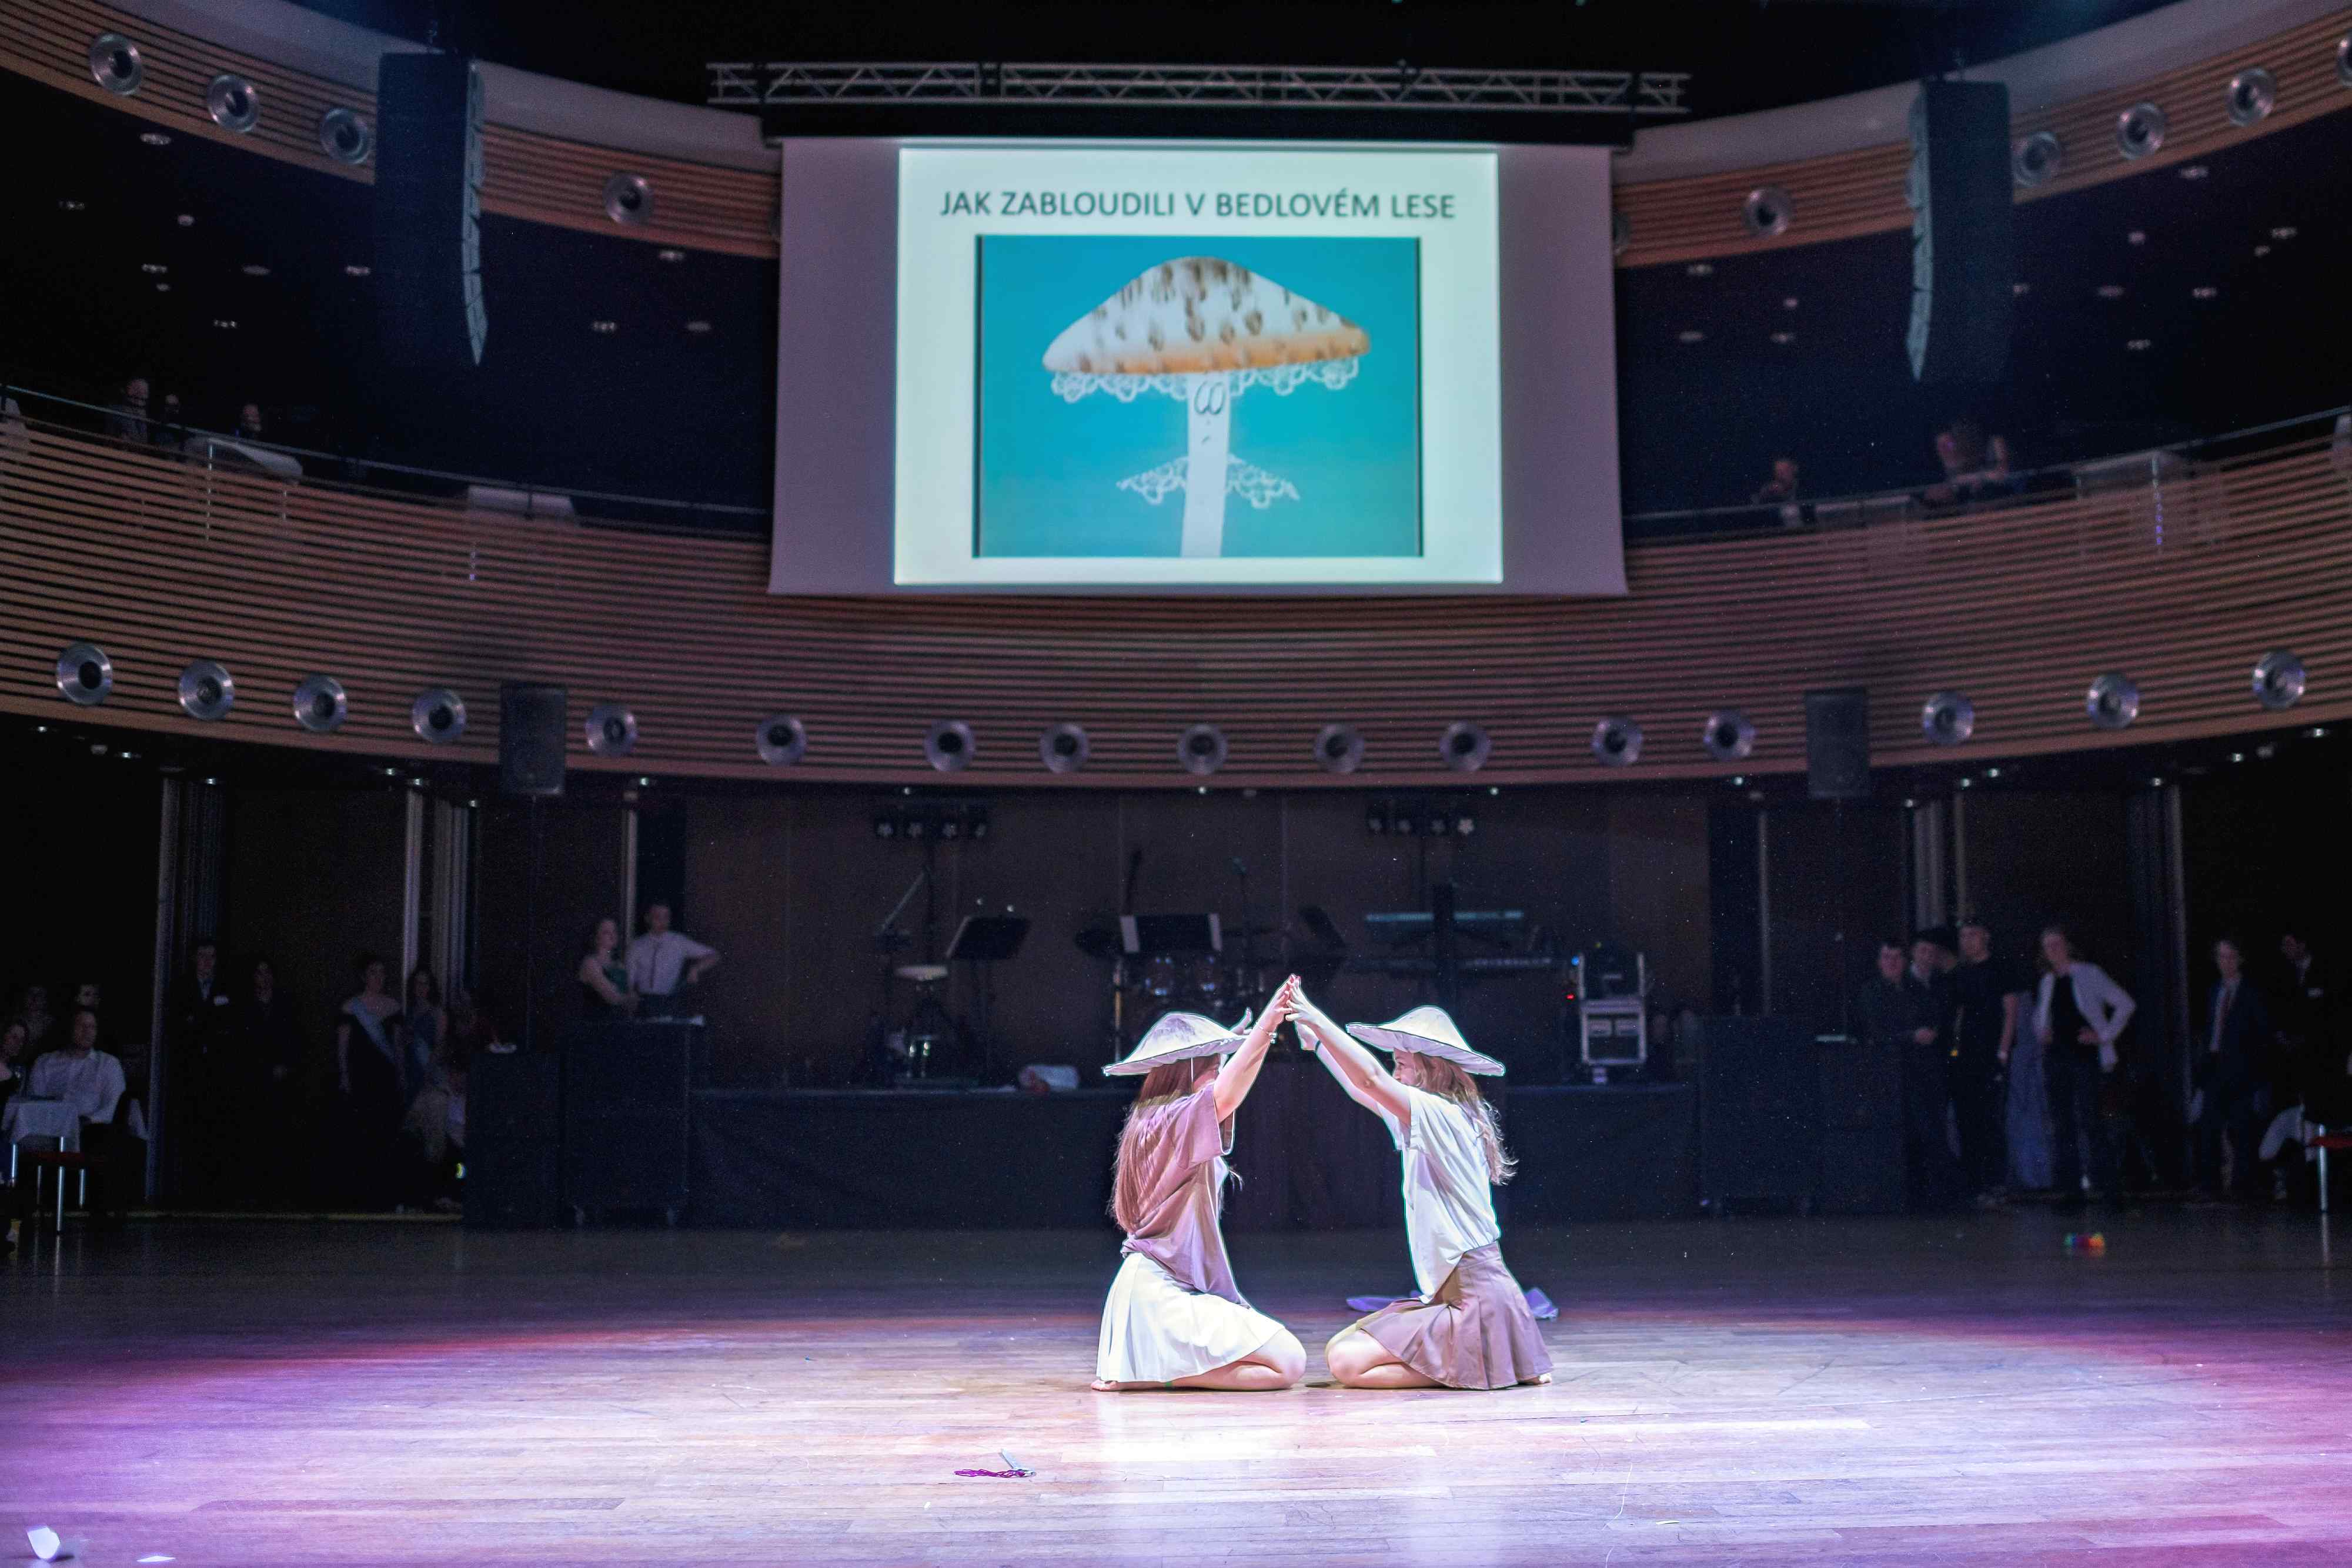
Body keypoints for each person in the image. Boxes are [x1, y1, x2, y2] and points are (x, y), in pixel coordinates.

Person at [1292, 999, 1552, 1390]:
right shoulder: (1431, 1115)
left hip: (1474, 1296)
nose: (1395, 1074)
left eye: (1401, 1064)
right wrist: (1319, 1044)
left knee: (1346, 1361)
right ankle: (1485, 1362)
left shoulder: (1441, 1115)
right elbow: (1362, 1090)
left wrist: (1317, 1020)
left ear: (1430, 1069)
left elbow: (1371, 1080)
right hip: (1458, 1294)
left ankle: (1475, 1366)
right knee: (1340, 1349)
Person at [1093, 981, 1308, 1392]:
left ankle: (1150, 1370)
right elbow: (1226, 1096)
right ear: (1188, 1070)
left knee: (1284, 1362)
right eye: (1214, 1066)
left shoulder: (1156, 1117)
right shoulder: (1171, 1119)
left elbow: (1223, 1090)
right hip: (1157, 1295)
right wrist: (1268, 1026)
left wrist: (1237, 1042)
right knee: (1289, 1361)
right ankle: (1155, 1373)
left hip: (1156, 1290)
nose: (1219, 1074)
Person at [2033, 926, 2136, 1207]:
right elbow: (2041, 1018)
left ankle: (2109, 1192)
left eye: (2057, 944)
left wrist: (2103, 1035)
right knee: (2062, 1125)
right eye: (2048, 946)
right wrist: (2043, 1032)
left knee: (2092, 1122)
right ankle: (2072, 1192)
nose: (2054, 950)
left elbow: (2125, 1004)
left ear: (2067, 945)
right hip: (2057, 1059)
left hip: (2083, 1058)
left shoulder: (2089, 974)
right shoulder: (2047, 982)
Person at [21, 1008, 134, 1225]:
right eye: (81, 1026)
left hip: (91, 1128)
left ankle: (94, 1208)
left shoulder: (107, 1064)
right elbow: (35, 1100)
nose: (87, 1032)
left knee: (102, 1140)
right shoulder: (46, 1062)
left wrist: (85, 1121)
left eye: (92, 1027)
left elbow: (113, 1104)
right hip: (50, 1129)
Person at [2192, 937, 2274, 1201]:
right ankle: (2210, 1182)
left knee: (2242, 1126)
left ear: (2240, 959)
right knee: (2209, 1125)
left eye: (2230, 957)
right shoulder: (2214, 990)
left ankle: (2242, 1184)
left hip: (2241, 1068)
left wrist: (2253, 1067)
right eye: (2221, 957)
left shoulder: (2251, 992)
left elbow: (2261, 1032)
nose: (2225, 962)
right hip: (2215, 1066)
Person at [1952, 921, 2022, 1205]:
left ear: (1985, 937)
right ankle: (1975, 1184)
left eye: (1973, 935)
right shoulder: (1961, 973)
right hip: (1965, 1056)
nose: (1968, 941)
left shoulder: (2001, 968)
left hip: (1992, 1055)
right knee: (1967, 1120)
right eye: (1964, 936)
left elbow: (2011, 1012)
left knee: (1992, 1120)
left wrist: (2003, 1051)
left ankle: (1996, 1183)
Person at [166, 938, 236, 1201]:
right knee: (190, 1127)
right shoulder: (181, 987)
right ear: (194, 958)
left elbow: (227, 1025)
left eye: (212, 956)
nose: (208, 961)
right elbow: (180, 1025)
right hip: (190, 1068)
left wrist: (203, 1022)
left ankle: (214, 1190)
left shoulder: (226, 987)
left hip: (218, 1070)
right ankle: (188, 1189)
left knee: (216, 1127)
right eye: (203, 956)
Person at [334, 954, 406, 1208]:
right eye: (373, 972)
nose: (378, 977)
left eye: (382, 972)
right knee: (361, 1134)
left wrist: (401, 1077)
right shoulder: (350, 1007)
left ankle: (383, 1194)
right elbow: (342, 1048)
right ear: (364, 976)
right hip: (360, 1078)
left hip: (384, 1079)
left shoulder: (393, 1007)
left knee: (384, 1134)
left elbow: (398, 1048)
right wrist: (344, 1076)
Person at [626, 902, 718, 1018]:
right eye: (657, 917)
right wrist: (631, 996)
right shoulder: (637, 946)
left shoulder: (679, 942)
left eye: (666, 917)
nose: (662, 922)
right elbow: (629, 979)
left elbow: (713, 955)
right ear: (648, 919)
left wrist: (696, 968)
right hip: (643, 1002)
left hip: (670, 1001)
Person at [1926, 416, 2013, 505]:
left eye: (1949, 444)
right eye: (1940, 446)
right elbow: (1954, 482)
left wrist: (1979, 478)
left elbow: (2001, 474)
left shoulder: (1993, 443)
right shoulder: (1939, 470)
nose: (1945, 450)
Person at [577, 917, 638, 1020]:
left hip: (620, 1022)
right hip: (597, 1023)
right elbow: (612, 997)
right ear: (596, 937)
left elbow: (630, 995)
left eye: (614, 931)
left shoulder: (619, 965)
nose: (612, 936)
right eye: (606, 932)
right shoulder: (590, 963)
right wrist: (630, 999)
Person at [403, 965, 445, 1105]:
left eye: (425, 983)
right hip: (410, 1070)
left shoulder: (438, 1013)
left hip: (428, 1072)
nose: (421, 988)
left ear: (430, 987)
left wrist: (428, 1073)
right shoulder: (409, 1012)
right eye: (418, 983)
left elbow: (440, 1047)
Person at [103, 376, 151, 444]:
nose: (140, 395)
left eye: (145, 392)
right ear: (124, 390)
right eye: (136, 389)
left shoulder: (148, 416)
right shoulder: (115, 410)